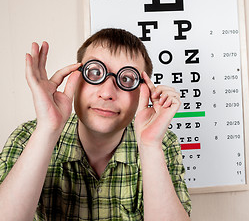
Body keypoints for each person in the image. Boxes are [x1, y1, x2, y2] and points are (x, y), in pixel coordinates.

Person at [0, 28, 191, 220]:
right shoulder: (28, 137)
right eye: (94, 73)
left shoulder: (162, 143)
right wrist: (48, 130)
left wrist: (150, 147)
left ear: (145, 91)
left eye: (126, 79)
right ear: (75, 77)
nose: (107, 92)